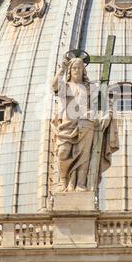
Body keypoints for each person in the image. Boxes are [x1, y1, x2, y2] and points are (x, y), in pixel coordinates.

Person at [51, 56, 119, 193]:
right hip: (67, 125)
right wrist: (61, 69)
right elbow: (54, 86)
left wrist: (107, 115)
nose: (77, 71)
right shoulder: (66, 86)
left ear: (84, 71)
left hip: (86, 124)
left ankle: (81, 184)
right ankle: (63, 180)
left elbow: (106, 103)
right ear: (70, 70)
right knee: (63, 152)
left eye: (79, 68)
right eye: (74, 68)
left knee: (84, 156)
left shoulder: (90, 88)